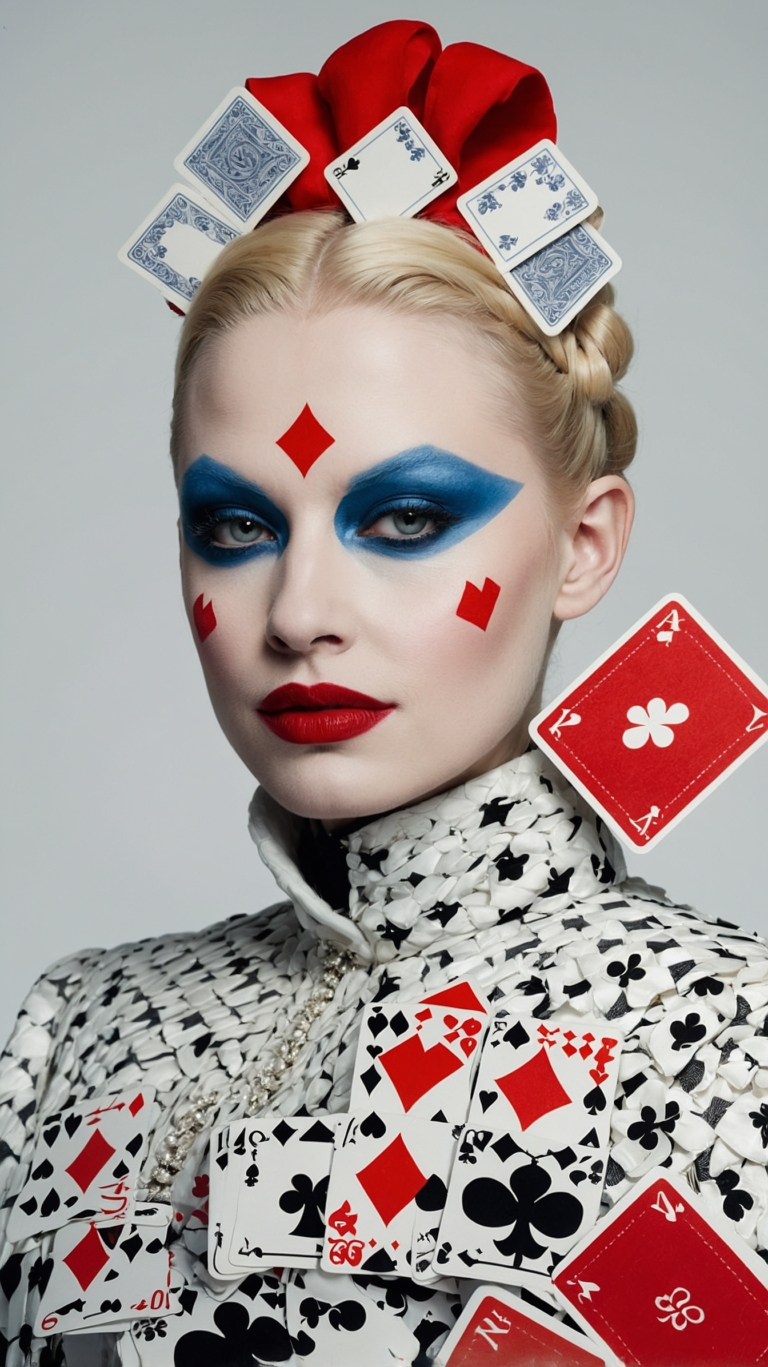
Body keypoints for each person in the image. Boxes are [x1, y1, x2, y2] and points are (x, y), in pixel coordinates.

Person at [2, 20, 768, 1367]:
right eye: (236, 528)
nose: (298, 616)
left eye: (405, 519)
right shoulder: (71, 1030)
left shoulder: (742, 1035)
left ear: (584, 544)